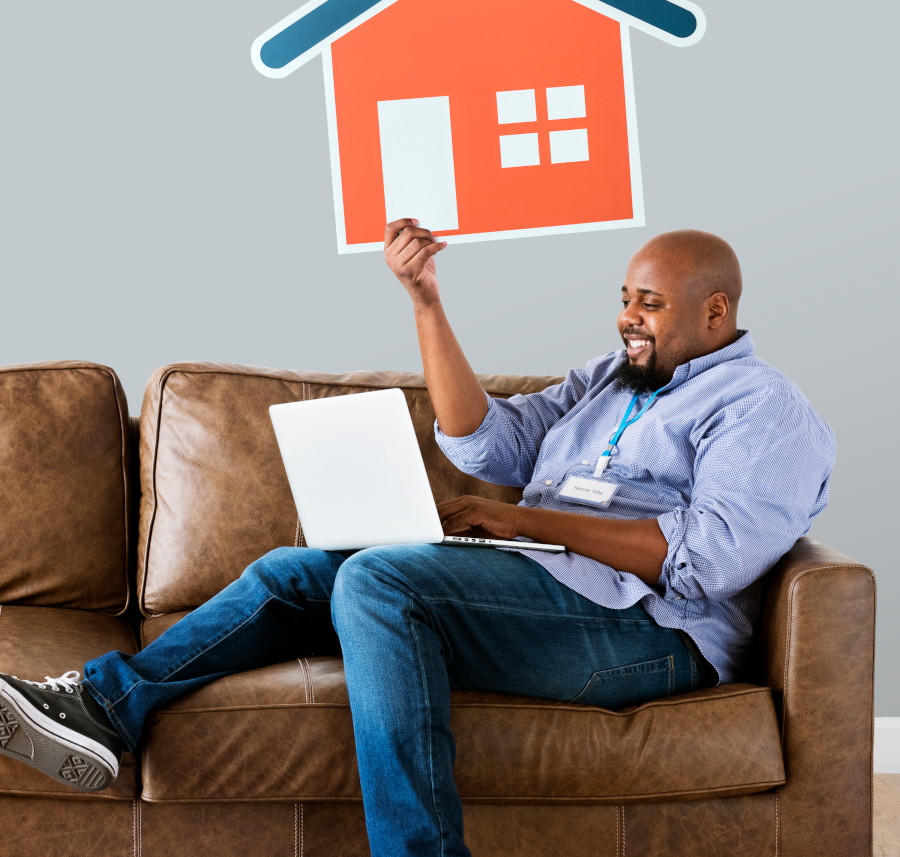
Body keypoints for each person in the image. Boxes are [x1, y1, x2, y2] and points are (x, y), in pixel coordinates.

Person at [0, 223, 834, 857]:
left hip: (648, 632)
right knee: (297, 572)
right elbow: (488, 443)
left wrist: (523, 520)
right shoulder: (607, 381)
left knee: (377, 582)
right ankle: (104, 709)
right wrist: (425, 299)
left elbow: (708, 556)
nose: (627, 318)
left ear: (716, 309)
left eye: (647, 303)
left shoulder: (763, 409)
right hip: (541, 588)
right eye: (624, 297)